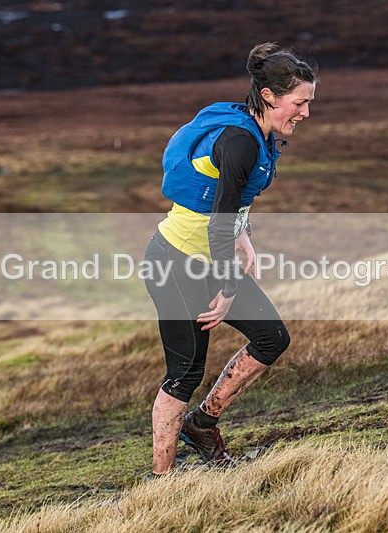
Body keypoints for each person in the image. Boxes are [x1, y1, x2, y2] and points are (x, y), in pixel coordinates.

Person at [143, 42, 318, 475]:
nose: (305, 113)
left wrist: (245, 238)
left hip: (208, 257)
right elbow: (218, 222)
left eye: (309, 103)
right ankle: (161, 483)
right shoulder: (239, 141)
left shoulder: (255, 132)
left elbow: (228, 208)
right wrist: (226, 287)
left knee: (272, 338)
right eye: (299, 103)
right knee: (184, 373)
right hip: (175, 264)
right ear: (268, 98)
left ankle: (202, 424)